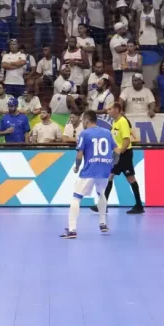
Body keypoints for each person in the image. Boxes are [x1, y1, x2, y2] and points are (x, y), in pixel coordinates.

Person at [60, 110, 115, 239]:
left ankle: (72, 230)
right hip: (104, 169)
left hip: (90, 169)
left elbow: (80, 155)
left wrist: (77, 167)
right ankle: (103, 223)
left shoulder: (84, 133)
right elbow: (116, 151)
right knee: (101, 193)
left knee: (76, 197)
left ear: (86, 120)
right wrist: (112, 164)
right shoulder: (107, 132)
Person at [91, 102, 144, 214]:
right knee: (109, 177)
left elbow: (126, 140)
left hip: (124, 155)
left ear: (116, 109)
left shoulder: (123, 122)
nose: (108, 111)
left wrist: (119, 153)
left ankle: (139, 205)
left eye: (110, 109)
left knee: (130, 179)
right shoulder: (115, 122)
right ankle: (102, 205)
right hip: (118, 154)